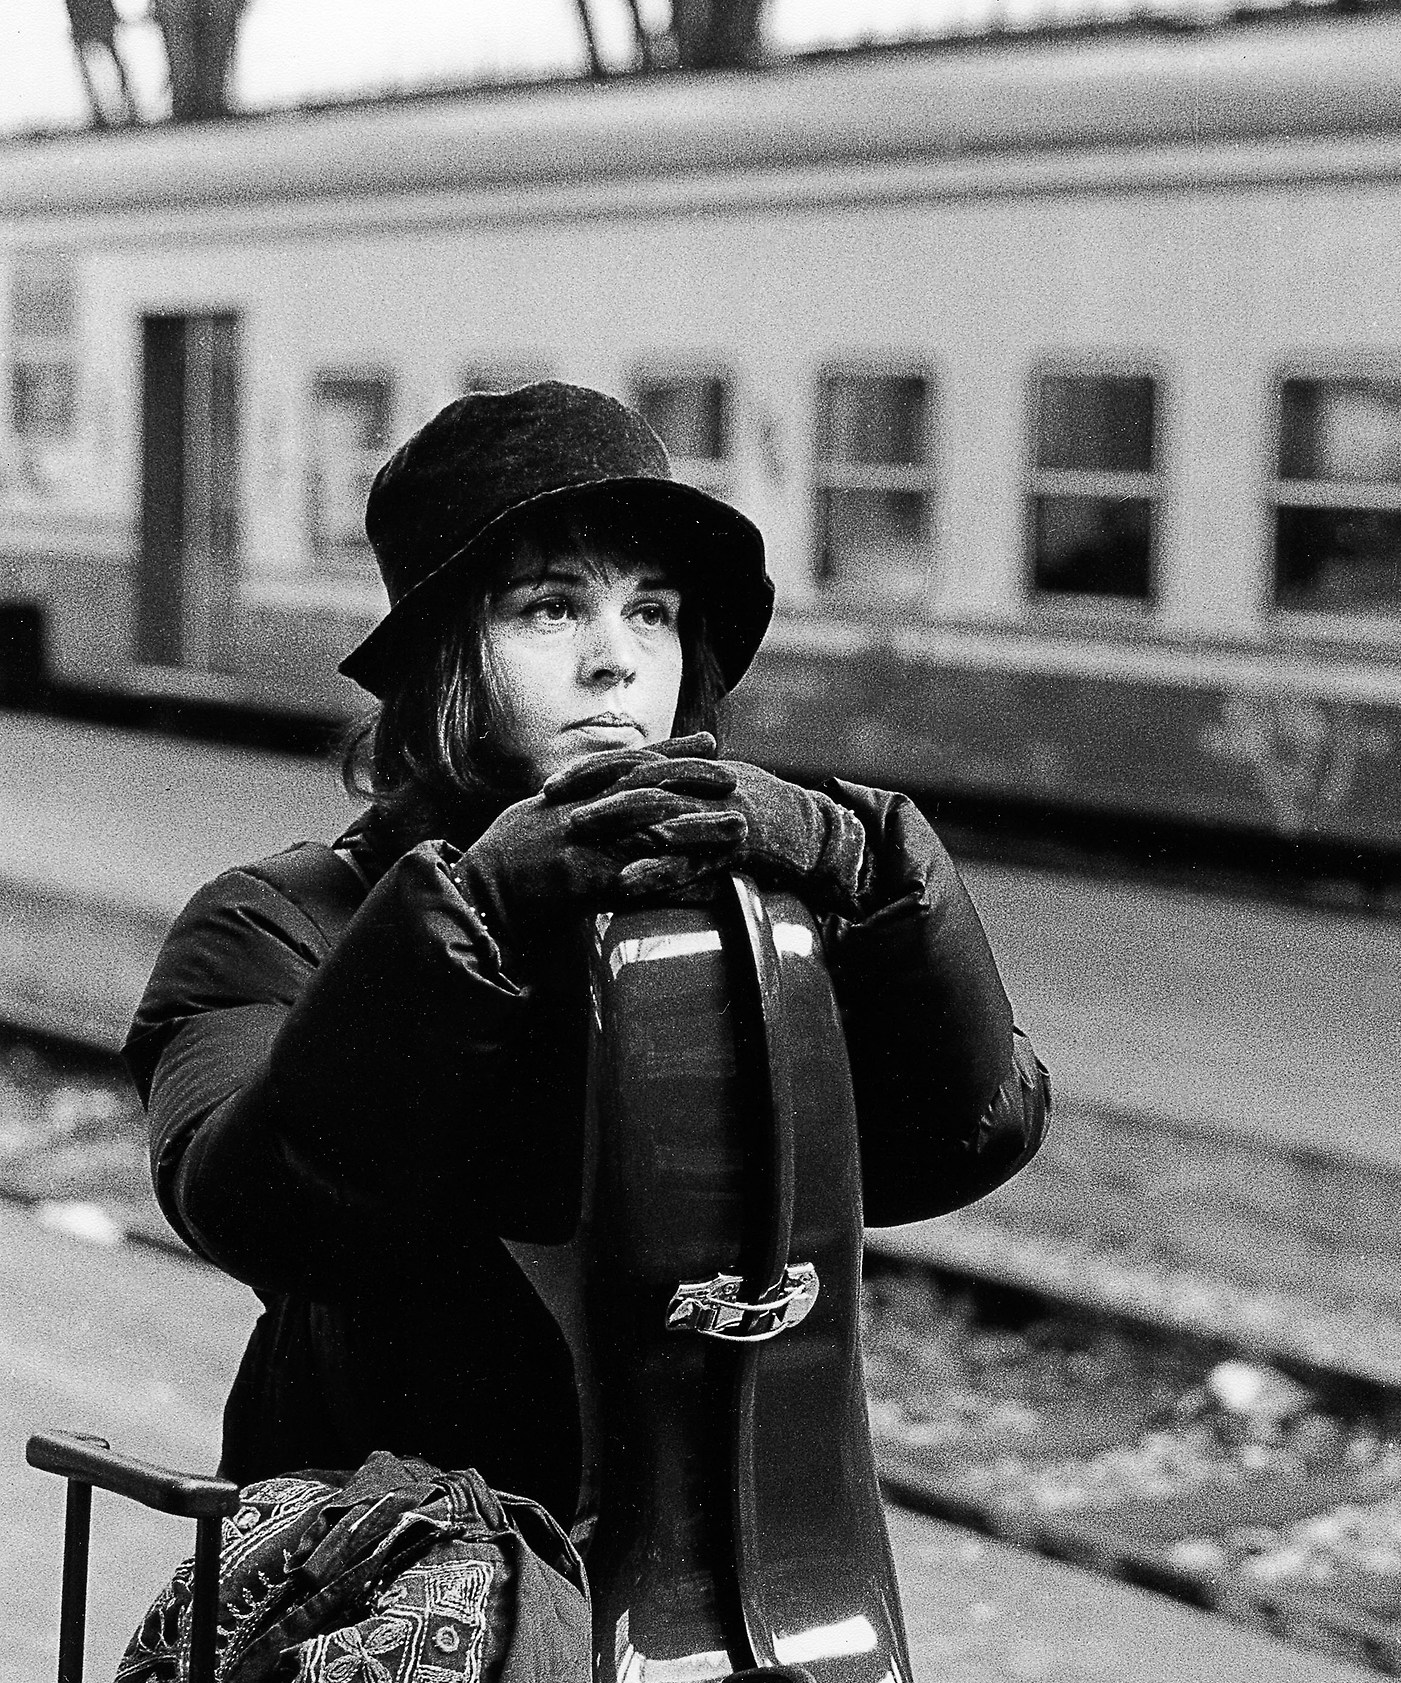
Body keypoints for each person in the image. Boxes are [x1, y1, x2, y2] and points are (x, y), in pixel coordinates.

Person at [126, 382, 1050, 1530]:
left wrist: (866, 867)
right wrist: (477, 911)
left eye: (652, 612)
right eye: (551, 610)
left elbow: (972, 1133)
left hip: (724, 1599)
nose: (618, 662)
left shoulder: (752, 920)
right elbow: (248, 1205)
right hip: (417, 1613)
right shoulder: (278, 923)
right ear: (443, 659)